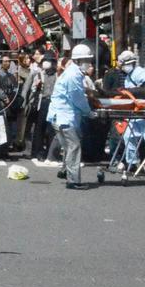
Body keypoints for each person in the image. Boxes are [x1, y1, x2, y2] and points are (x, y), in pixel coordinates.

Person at [47, 44, 96, 190]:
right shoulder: (74, 75)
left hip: (58, 116)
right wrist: (89, 112)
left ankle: (65, 170)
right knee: (74, 146)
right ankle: (73, 180)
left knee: (68, 147)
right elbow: (78, 98)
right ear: (79, 60)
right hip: (65, 117)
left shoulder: (71, 72)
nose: (89, 64)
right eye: (87, 60)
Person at [28, 53, 58, 165]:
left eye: (49, 61)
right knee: (39, 128)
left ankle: (50, 153)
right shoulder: (39, 74)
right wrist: (36, 85)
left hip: (53, 103)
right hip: (42, 103)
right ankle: (37, 152)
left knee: (52, 129)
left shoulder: (57, 75)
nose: (47, 63)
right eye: (45, 61)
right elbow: (32, 89)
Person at [0, 54, 19, 157]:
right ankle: (0, 150)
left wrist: (12, 99)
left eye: (9, 61)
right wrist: (6, 99)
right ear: (1, 63)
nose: (7, 63)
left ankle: (7, 148)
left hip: (11, 103)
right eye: (5, 61)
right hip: (2, 104)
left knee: (11, 127)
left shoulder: (11, 76)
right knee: (2, 126)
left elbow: (16, 88)